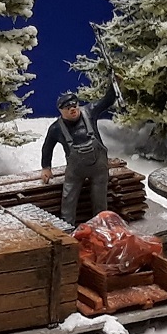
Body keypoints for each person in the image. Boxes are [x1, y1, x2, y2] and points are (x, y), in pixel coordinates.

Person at [41, 83, 116, 228]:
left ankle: (101, 227)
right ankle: (67, 227)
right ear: (61, 111)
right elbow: (47, 148)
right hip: (75, 172)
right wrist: (46, 167)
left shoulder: (90, 112)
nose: (73, 110)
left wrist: (114, 83)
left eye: (74, 106)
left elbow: (107, 100)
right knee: (69, 198)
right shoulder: (56, 128)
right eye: (68, 108)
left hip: (99, 168)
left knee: (100, 200)